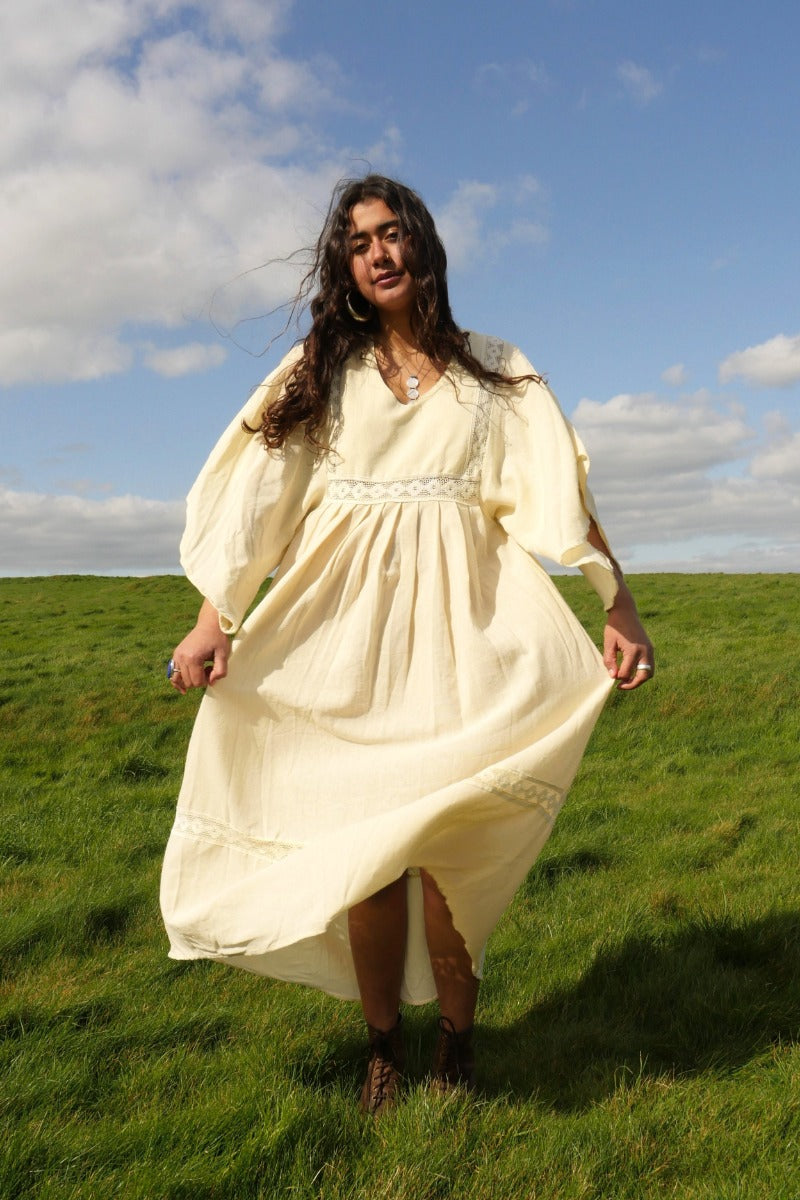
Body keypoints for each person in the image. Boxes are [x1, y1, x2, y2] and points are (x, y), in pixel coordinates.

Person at [161, 174, 654, 1116]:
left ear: (422, 244)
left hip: (468, 640)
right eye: (359, 242)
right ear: (345, 265)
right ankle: (383, 1045)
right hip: (342, 645)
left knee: (447, 858)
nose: (379, 252)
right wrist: (211, 619)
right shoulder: (321, 370)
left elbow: (560, 494)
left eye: (392, 234)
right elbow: (256, 499)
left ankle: (458, 1047)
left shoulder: (495, 370)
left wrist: (615, 603)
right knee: (371, 865)